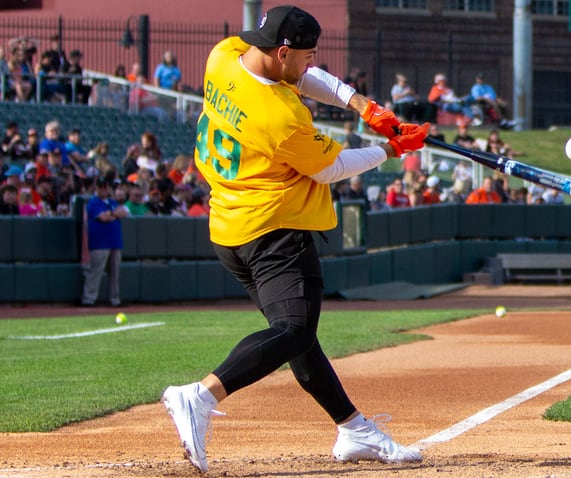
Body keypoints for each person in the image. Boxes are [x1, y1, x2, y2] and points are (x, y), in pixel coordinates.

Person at [159, 6, 427, 474]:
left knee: (295, 336)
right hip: (274, 231)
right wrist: (391, 149)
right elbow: (332, 168)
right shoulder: (280, 118)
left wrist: (361, 105)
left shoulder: (224, 55)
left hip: (229, 227)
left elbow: (302, 77)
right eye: (305, 55)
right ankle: (200, 396)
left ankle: (353, 429)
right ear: (282, 52)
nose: (309, 64)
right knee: (295, 330)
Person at [81, 177, 127, 306]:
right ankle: (88, 299)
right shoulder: (93, 202)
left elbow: (123, 213)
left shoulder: (112, 202)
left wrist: (111, 214)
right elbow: (103, 218)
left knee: (115, 273)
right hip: (99, 242)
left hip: (115, 242)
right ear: (96, 188)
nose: (103, 189)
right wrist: (113, 214)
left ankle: (114, 300)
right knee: (96, 272)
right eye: (101, 186)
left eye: (106, 186)